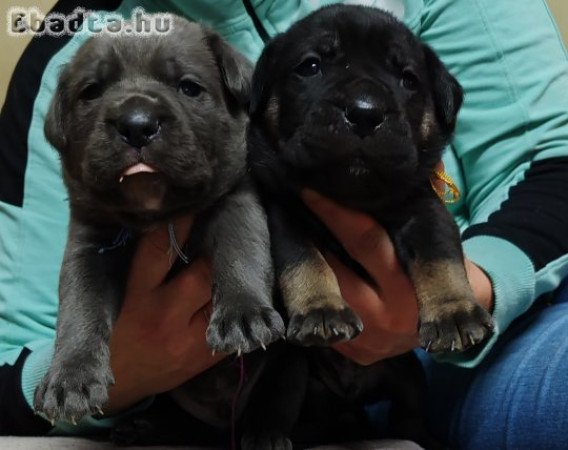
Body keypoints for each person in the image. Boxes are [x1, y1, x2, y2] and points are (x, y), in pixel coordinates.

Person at [1, 0, 567, 448]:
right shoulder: (68, 42)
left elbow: (553, 154)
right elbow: (16, 341)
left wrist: (473, 290)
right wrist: (122, 371)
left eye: (192, 88)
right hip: (223, 382)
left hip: (478, 337)